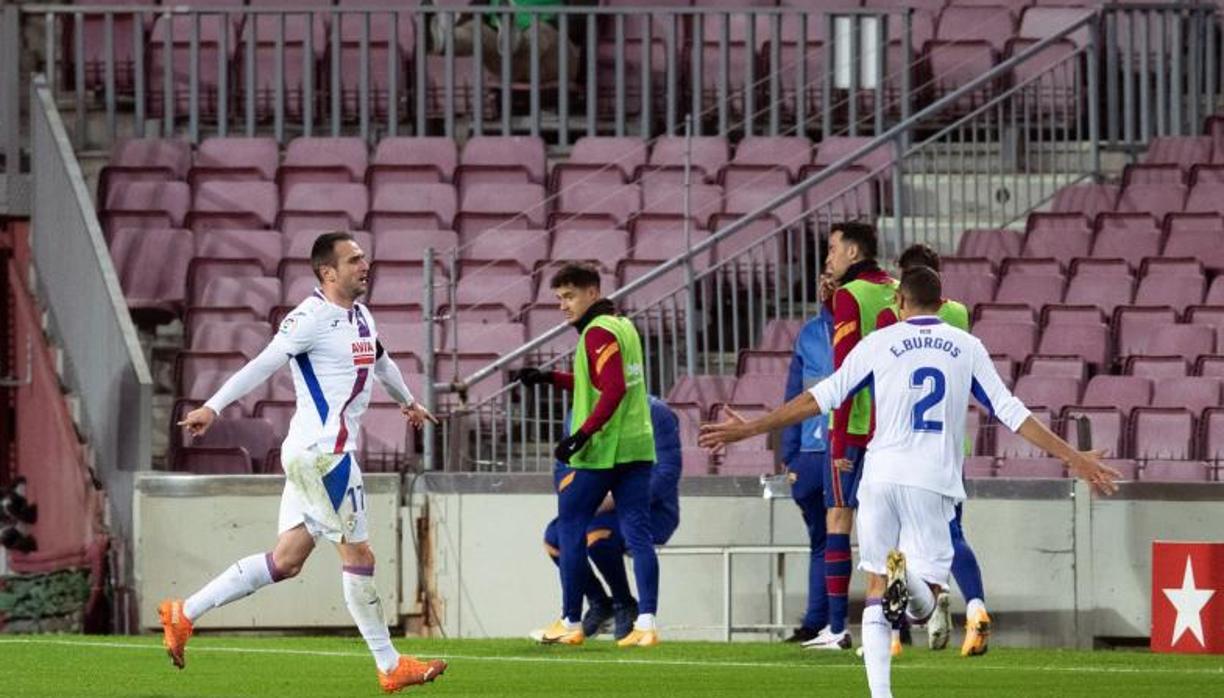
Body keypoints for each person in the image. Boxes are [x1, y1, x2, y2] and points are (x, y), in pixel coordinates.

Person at [699, 266, 1120, 698]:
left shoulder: (878, 343)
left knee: (877, 592)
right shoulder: (966, 347)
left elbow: (819, 397)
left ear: (899, 303)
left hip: (879, 477)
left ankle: (882, 693)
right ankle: (912, 584)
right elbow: (1011, 412)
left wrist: (750, 429)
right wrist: (1074, 458)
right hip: (931, 481)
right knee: (926, 603)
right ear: (942, 305)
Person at [162, 232, 447, 693]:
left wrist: (409, 402)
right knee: (360, 556)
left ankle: (184, 612)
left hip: (312, 455)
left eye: (363, 258)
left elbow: (381, 360)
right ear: (327, 272)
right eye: (354, 260)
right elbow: (262, 364)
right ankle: (390, 665)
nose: (364, 264)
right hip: (323, 457)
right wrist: (212, 406)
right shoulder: (308, 319)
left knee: (287, 560)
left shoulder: (358, 315)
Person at [511, 262, 661, 647]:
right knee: (639, 535)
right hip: (636, 448)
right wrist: (549, 378)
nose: (563, 305)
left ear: (592, 293)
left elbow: (613, 391)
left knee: (569, 528)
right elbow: (599, 382)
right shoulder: (621, 326)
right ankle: (646, 624)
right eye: (559, 298)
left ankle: (571, 621)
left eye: (569, 296)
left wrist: (580, 436)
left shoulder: (596, 332)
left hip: (601, 453)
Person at [877, 243, 989, 656]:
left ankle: (891, 636)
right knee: (951, 533)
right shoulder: (957, 314)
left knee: (894, 540)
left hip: (900, 448)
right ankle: (975, 607)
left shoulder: (894, 319)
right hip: (946, 449)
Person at [813, 221, 897, 650]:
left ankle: (836, 629)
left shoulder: (852, 295)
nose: (827, 257)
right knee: (891, 532)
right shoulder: (895, 289)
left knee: (839, 520)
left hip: (856, 425)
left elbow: (846, 373)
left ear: (853, 251)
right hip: (894, 426)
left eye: (832, 248)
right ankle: (894, 631)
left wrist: (842, 438)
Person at [538, 396, 682, 641]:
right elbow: (563, 467)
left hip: (651, 508)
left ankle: (624, 603)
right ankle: (599, 602)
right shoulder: (578, 412)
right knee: (554, 539)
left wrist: (608, 499)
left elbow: (667, 472)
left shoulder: (655, 412)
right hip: (598, 506)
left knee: (597, 537)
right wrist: (578, 494)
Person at [777, 304, 834, 646]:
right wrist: (791, 454)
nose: (825, 282)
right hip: (812, 455)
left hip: (857, 449)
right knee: (821, 541)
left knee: (883, 539)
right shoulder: (810, 333)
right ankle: (816, 623)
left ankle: (896, 622)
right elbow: (793, 394)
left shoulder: (869, 323)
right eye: (822, 276)